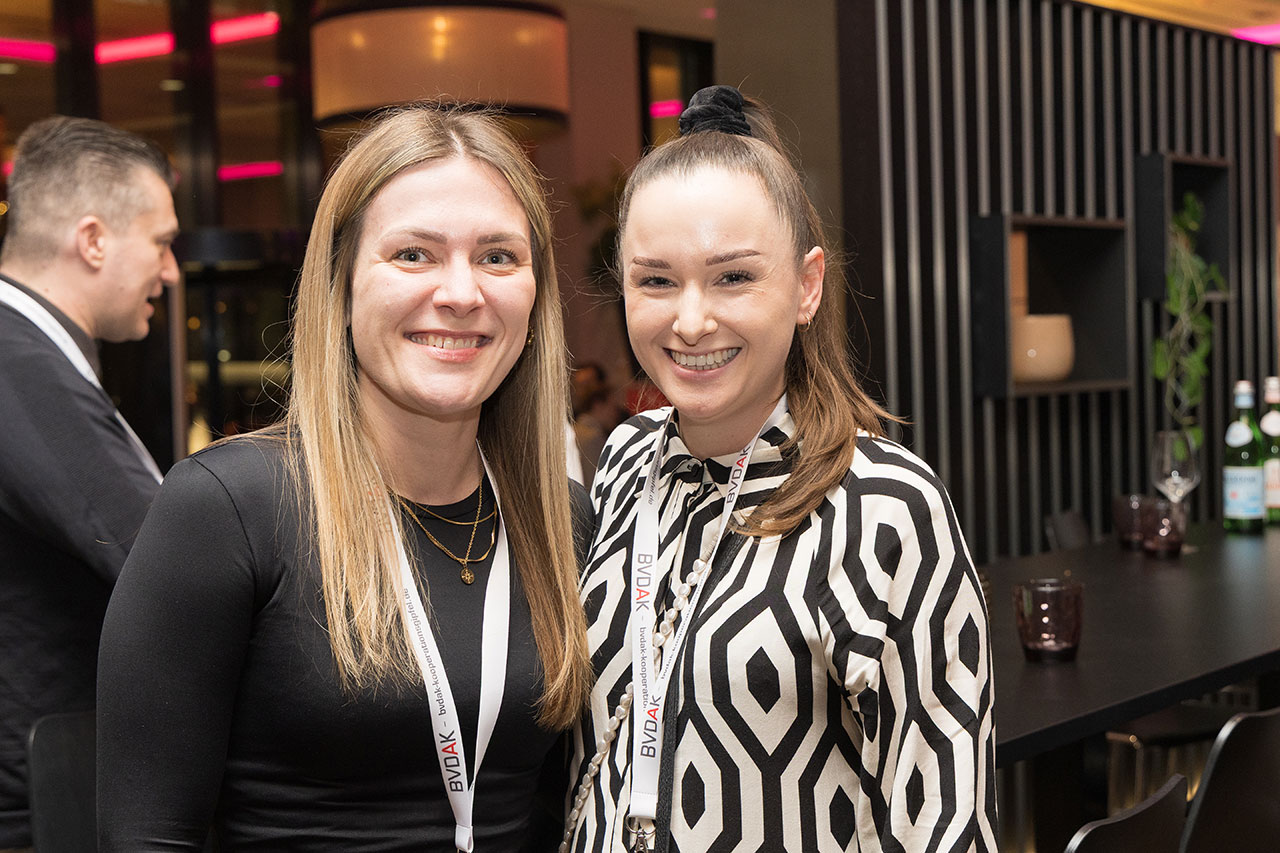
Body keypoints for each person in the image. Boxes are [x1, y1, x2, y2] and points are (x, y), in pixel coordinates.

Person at [97, 106, 593, 850]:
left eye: (497, 256)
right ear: (342, 283)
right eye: (414, 254)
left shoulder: (561, 520)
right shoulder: (229, 509)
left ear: (535, 293)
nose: (462, 293)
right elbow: (147, 835)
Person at [563, 86, 996, 852]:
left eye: (732, 277)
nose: (690, 320)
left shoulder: (887, 506)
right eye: (656, 280)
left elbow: (945, 820)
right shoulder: (626, 460)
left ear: (806, 285)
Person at [0, 115, 177, 850]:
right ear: (94, 240)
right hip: (32, 809)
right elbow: (163, 561)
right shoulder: (17, 364)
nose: (171, 271)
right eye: (162, 242)